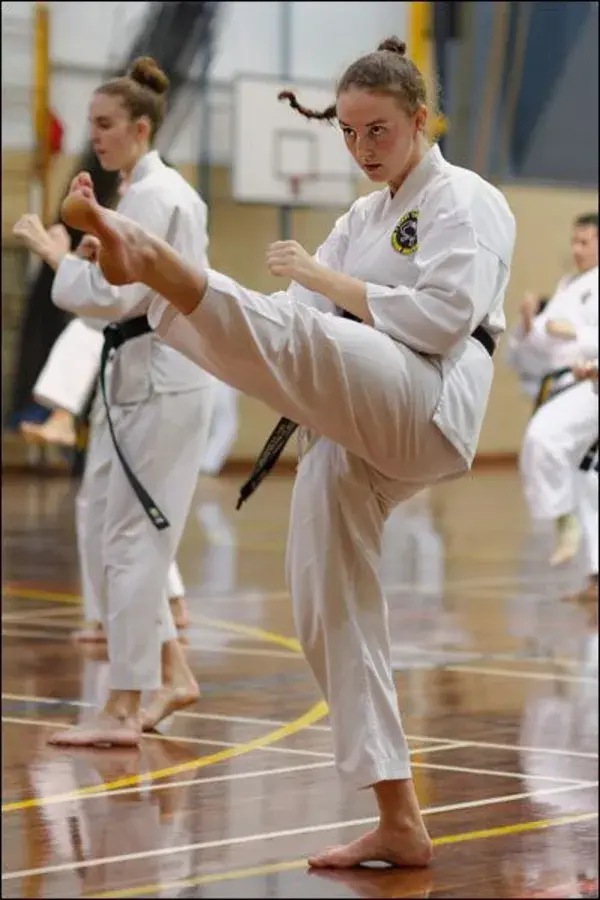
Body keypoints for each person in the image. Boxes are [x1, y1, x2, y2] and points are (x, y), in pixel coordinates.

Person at [55, 37, 516, 868]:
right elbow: (285, 313)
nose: (360, 148)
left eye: (376, 130)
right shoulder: (359, 218)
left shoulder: (465, 198)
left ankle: (158, 267)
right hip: (358, 411)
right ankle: (398, 816)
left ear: (419, 120)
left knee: (302, 337)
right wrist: (311, 285)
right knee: (324, 599)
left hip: (431, 395)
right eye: (346, 132)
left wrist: (328, 285)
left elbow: (443, 317)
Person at [13, 56, 215, 747]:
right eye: (92, 124)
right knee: (105, 529)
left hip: (160, 379)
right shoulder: (137, 194)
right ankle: (172, 672)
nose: (95, 136)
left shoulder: (159, 196)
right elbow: (117, 289)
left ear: (139, 126)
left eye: (104, 124)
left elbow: (117, 297)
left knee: (132, 543)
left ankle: (123, 705)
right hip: (133, 378)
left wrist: (55, 253)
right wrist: (85, 251)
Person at [514, 213, 598, 566]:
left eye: (585, 242)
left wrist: (577, 335)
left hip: (589, 382)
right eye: (574, 241)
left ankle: (566, 522)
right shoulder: (569, 285)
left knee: (544, 438)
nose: (576, 249)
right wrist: (531, 324)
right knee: (585, 477)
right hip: (562, 382)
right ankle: (595, 574)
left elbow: (579, 338)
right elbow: (533, 354)